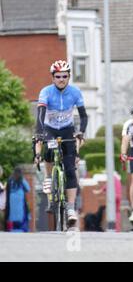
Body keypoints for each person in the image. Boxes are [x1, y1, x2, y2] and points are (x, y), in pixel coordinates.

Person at [34, 60, 88, 226]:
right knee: (49, 151)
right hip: (50, 129)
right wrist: (39, 132)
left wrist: (81, 132)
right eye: (58, 76)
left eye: (65, 76)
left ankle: (70, 208)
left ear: (69, 76)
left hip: (67, 129)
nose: (61, 79)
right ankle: (49, 177)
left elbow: (84, 116)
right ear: (53, 78)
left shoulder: (75, 92)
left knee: (71, 170)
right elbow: (41, 113)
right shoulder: (46, 92)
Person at [5, 167, 30, 232]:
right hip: (20, 199)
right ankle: (22, 228)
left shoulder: (10, 180)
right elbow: (28, 188)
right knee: (21, 213)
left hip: (11, 199)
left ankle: (13, 228)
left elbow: (7, 190)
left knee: (12, 214)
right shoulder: (21, 179)